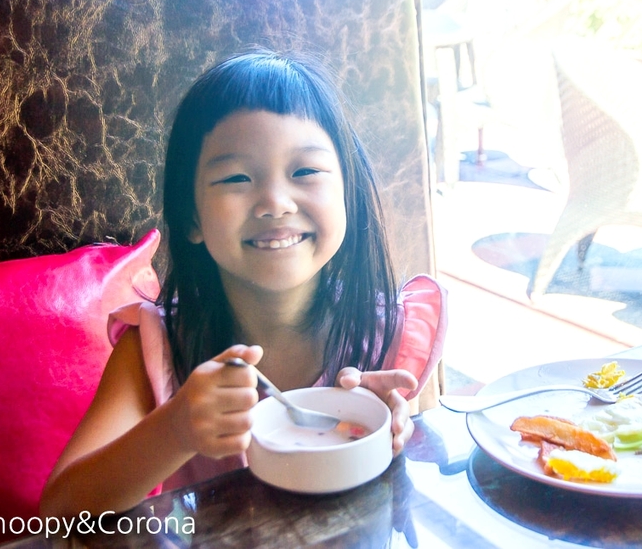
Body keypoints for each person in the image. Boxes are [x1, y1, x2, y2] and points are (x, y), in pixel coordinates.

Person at [39, 50, 446, 518]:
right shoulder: (157, 347)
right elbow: (57, 512)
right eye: (236, 177)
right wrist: (175, 430)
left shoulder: (389, 335)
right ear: (192, 218)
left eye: (305, 172)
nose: (275, 202)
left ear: (347, 195)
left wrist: (385, 435)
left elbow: (414, 494)